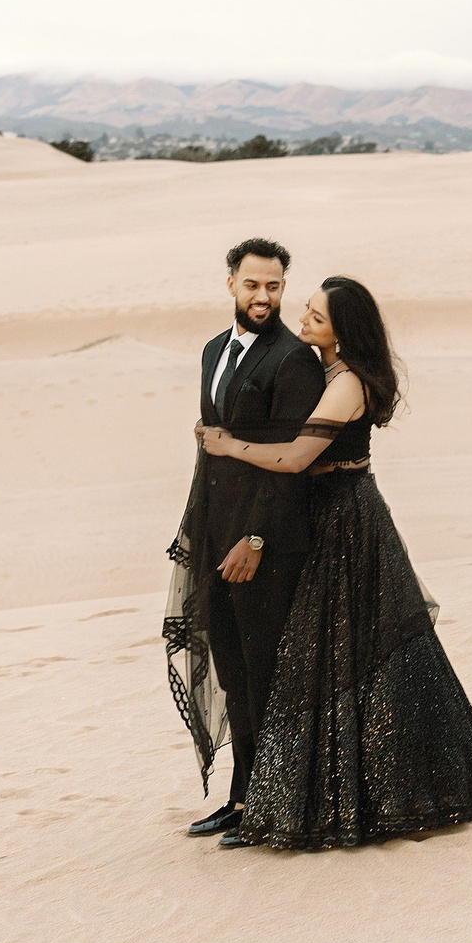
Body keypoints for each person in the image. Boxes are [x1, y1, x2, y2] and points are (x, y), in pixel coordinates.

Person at [198, 275, 472, 849]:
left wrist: (227, 444)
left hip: (347, 519)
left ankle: (384, 791)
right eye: (307, 310)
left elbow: (292, 457)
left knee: (360, 651)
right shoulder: (327, 373)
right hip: (327, 513)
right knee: (339, 654)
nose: (304, 319)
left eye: (316, 315)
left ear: (342, 329)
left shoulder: (347, 385)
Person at [165, 237, 327, 840]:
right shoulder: (213, 351)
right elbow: (214, 446)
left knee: (265, 671)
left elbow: (293, 465)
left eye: (275, 286)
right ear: (231, 283)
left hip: (265, 546)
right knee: (233, 672)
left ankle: (273, 803)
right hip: (215, 533)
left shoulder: (292, 361)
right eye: (253, 284)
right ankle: (241, 799)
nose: (264, 296)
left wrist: (256, 539)